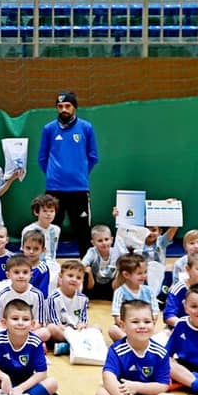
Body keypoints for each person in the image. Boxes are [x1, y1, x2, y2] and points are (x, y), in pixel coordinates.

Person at [95, 300, 187, 395]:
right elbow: (108, 378)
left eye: (147, 321)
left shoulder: (160, 353)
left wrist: (137, 387)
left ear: (154, 323)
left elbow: (162, 386)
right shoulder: (116, 350)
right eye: (135, 322)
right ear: (122, 325)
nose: (142, 326)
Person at [37, 91, 99, 257]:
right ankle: (47, 267)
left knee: (83, 231)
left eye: (67, 106)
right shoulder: (49, 129)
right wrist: (53, 175)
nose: (63, 109)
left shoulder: (86, 127)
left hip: (78, 189)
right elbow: (42, 158)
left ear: (74, 107)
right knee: (49, 231)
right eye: (60, 106)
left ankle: (86, 270)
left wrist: (80, 174)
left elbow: (93, 156)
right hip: (54, 190)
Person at [0, 299, 60, 395]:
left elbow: (42, 373)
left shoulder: (35, 342)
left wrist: (21, 388)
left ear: (32, 324)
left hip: (27, 384)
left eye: (25, 319)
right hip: (5, 384)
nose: (20, 323)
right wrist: (4, 378)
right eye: (15, 319)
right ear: (4, 323)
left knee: (52, 383)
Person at [0, 254, 53, 342]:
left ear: (31, 274)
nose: (21, 276)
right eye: (16, 272)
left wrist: (26, 331)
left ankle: (16, 342)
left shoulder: (37, 295)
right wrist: (8, 331)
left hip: (29, 331)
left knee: (45, 333)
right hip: (7, 331)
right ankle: (21, 342)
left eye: (25, 272)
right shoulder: (2, 294)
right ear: (8, 275)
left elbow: (39, 321)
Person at [109, 253, 156, 341]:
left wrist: (147, 325)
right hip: (126, 329)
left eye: (145, 272)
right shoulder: (120, 292)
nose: (144, 276)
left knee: (164, 333)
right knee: (113, 330)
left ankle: (140, 341)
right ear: (126, 274)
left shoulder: (149, 291)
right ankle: (133, 341)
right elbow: (117, 315)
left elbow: (155, 312)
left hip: (144, 327)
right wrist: (128, 328)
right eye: (139, 273)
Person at [47, 258, 89, 354]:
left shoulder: (83, 299)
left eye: (78, 278)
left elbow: (84, 318)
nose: (74, 279)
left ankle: (69, 347)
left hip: (77, 331)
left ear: (82, 281)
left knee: (97, 328)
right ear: (60, 277)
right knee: (51, 328)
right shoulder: (53, 298)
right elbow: (55, 321)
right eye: (70, 275)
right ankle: (76, 345)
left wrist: (82, 325)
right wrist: (68, 332)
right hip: (62, 331)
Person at [82, 224, 124, 302]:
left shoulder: (115, 251)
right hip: (94, 283)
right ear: (93, 243)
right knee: (87, 269)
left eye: (106, 239)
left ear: (112, 240)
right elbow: (83, 263)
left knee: (122, 270)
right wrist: (87, 269)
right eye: (100, 241)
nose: (104, 243)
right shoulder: (92, 251)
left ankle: (119, 296)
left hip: (111, 284)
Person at [20, 194, 61, 265]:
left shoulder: (56, 229)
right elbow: (25, 252)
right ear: (36, 212)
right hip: (34, 265)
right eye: (45, 211)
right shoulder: (28, 230)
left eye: (51, 211)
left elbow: (53, 252)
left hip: (53, 265)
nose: (48, 214)